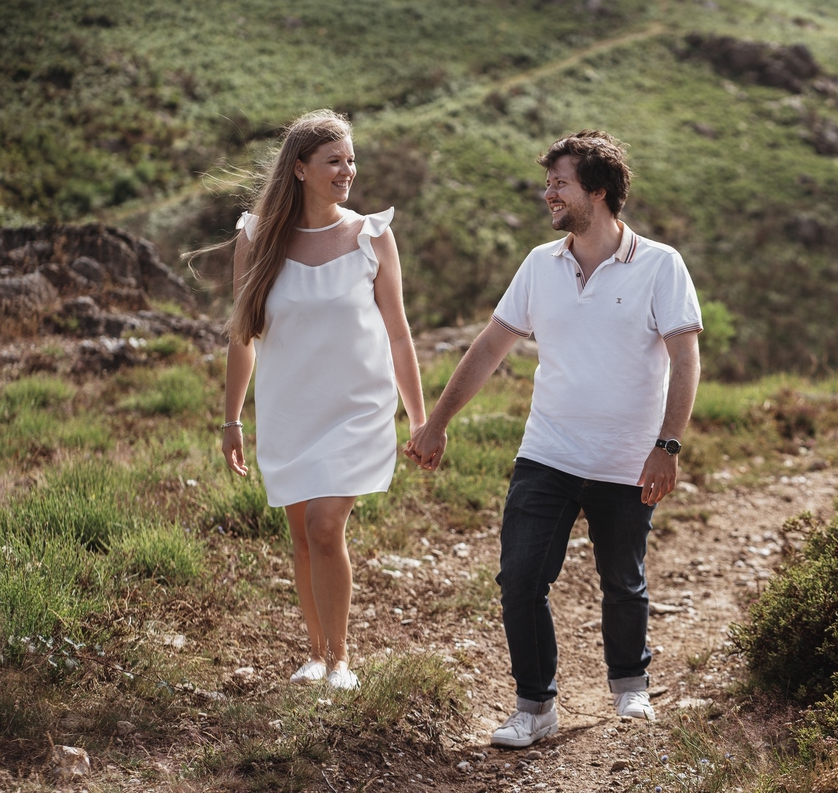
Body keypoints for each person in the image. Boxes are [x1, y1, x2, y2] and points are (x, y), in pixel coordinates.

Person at [405, 130, 702, 747]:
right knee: (520, 578)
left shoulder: (660, 265)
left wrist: (668, 445)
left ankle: (630, 689)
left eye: (559, 183)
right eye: (549, 184)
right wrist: (437, 421)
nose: (548, 194)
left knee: (623, 578)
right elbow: (491, 345)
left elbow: (685, 358)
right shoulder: (541, 264)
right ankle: (535, 707)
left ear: (598, 190)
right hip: (549, 452)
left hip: (628, 459)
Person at [219, 110, 426, 691]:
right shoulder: (257, 239)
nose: (347, 171)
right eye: (335, 160)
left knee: (324, 523)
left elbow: (399, 332)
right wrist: (232, 418)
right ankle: (314, 653)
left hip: (357, 406)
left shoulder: (372, 236)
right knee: (302, 534)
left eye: (350, 159)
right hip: (289, 407)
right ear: (301, 169)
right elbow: (242, 336)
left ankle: (340, 661)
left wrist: (419, 416)